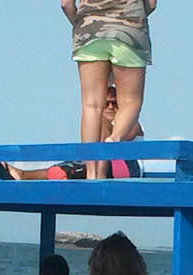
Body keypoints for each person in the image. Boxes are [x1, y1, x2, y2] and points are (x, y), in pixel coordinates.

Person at [61, 0, 156, 179]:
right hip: (130, 30)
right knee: (130, 102)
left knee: (91, 105)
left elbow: (66, 4)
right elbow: (151, 4)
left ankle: (91, 172)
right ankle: (114, 139)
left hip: (89, 31)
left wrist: (80, 23)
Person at [0, 82, 144, 181]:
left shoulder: (132, 123)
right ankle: (22, 175)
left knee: (78, 166)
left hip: (128, 168)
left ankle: (27, 176)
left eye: (115, 104)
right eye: (107, 103)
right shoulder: (97, 125)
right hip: (99, 165)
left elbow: (123, 135)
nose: (111, 107)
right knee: (68, 167)